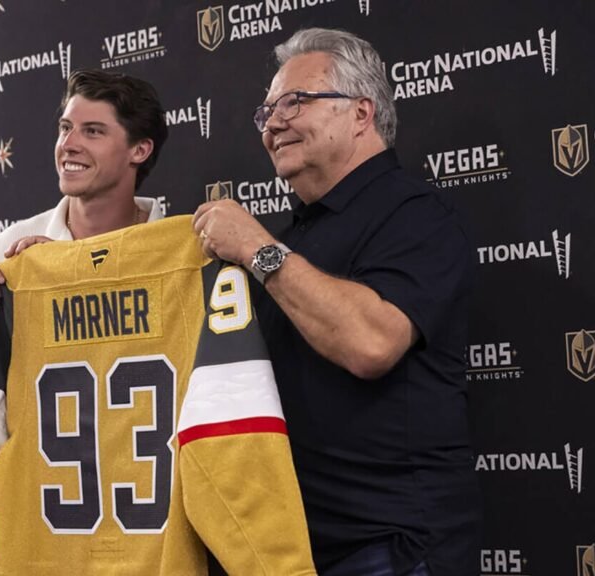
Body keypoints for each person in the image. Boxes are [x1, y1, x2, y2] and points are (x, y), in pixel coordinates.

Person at [193, 28, 481, 576]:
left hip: (390, 548)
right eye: (266, 112)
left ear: (360, 112)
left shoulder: (416, 215)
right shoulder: (293, 237)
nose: (273, 124)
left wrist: (256, 248)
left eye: (294, 102)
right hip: (291, 550)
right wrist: (52, 268)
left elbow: (371, 342)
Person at [0, 68, 167, 368]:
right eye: (65, 128)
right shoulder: (11, 247)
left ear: (139, 150)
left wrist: (69, 272)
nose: (68, 144)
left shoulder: (178, 252)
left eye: (93, 131)